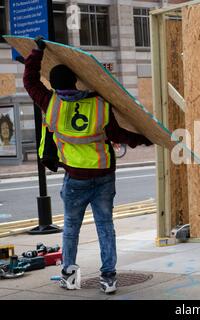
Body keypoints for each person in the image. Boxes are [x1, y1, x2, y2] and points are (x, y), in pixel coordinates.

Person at [23, 37, 153, 294]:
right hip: (103, 175)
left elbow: (30, 81)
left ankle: (69, 276)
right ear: (74, 82)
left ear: (55, 85)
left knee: (71, 228)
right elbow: (119, 135)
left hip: (75, 179)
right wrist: (145, 138)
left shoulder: (50, 105)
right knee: (105, 226)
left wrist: (37, 52)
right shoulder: (99, 105)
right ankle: (108, 278)